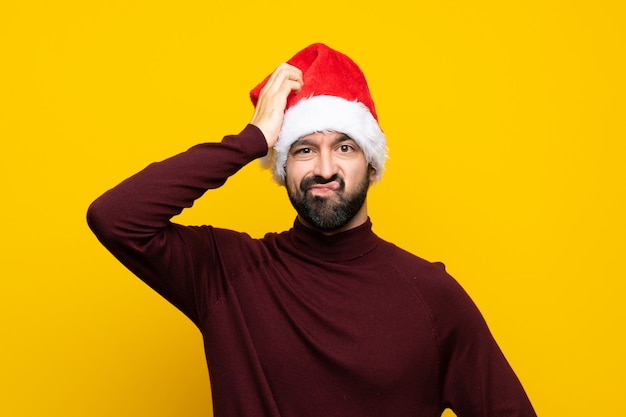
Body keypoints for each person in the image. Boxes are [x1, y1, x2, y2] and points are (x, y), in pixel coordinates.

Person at [87, 43, 536, 417]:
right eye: (304, 149)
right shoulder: (227, 273)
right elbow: (116, 217)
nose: (325, 169)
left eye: (344, 147)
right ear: (281, 166)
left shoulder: (432, 296)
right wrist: (251, 140)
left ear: (372, 163)